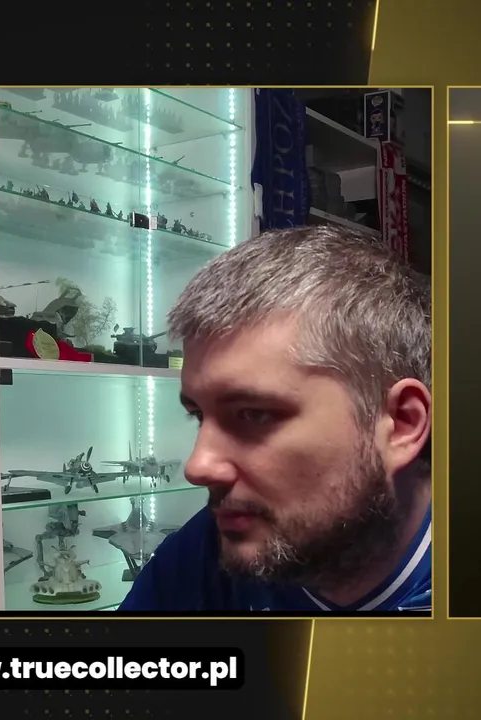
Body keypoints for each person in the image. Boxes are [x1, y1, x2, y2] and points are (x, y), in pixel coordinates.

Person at [119, 226, 432, 612]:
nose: (198, 467)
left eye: (254, 414)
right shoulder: (198, 560)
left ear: (401, 424)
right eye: (198, 415)